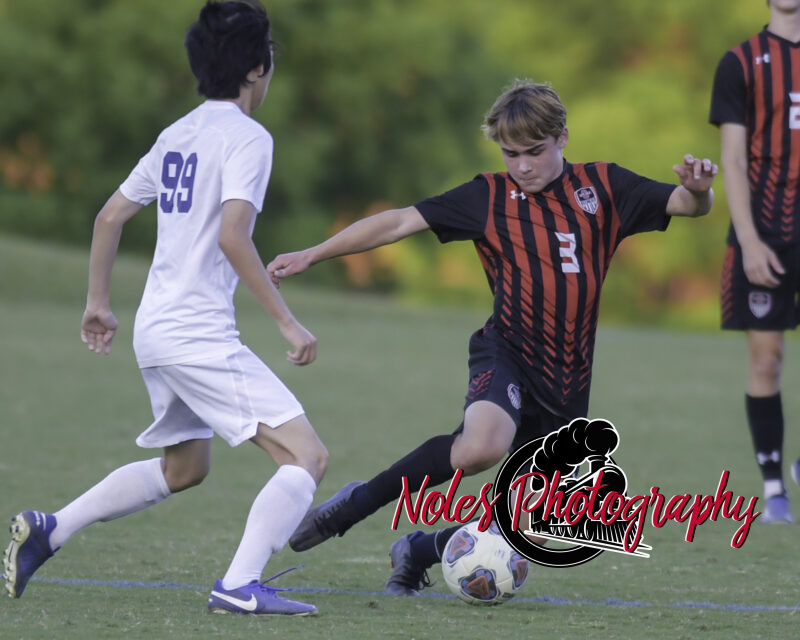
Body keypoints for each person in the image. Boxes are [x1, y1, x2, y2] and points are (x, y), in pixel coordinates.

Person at [267, 79, 718, 595]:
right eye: (510, 153)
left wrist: (700, 189)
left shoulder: (603, 188)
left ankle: (418, 550)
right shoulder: (487, 196)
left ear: (563, 137)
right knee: (481, 447)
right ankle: (354, 505)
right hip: (505, 350)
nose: (523, 165)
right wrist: (311, 254)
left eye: (535, 152)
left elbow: (685, 204)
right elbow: (397, 223)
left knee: (536, 527)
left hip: (568, 377)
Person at [2, 0, 327, 616]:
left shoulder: (178, 132)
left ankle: (50, 529)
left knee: (185, 468)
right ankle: (239, 585)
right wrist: (286, 320)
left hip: (156, 330)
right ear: (259, 68)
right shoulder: (248, 138)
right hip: (196, 334)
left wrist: (98, 303)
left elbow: (109, 216)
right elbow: (235, 236)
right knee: (307, 455)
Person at [709, 0, 800, 524]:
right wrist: (749, 240)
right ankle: (774, 492)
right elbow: (735, 159)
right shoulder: (740, 62)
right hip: (765, 231)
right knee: (767, 360)